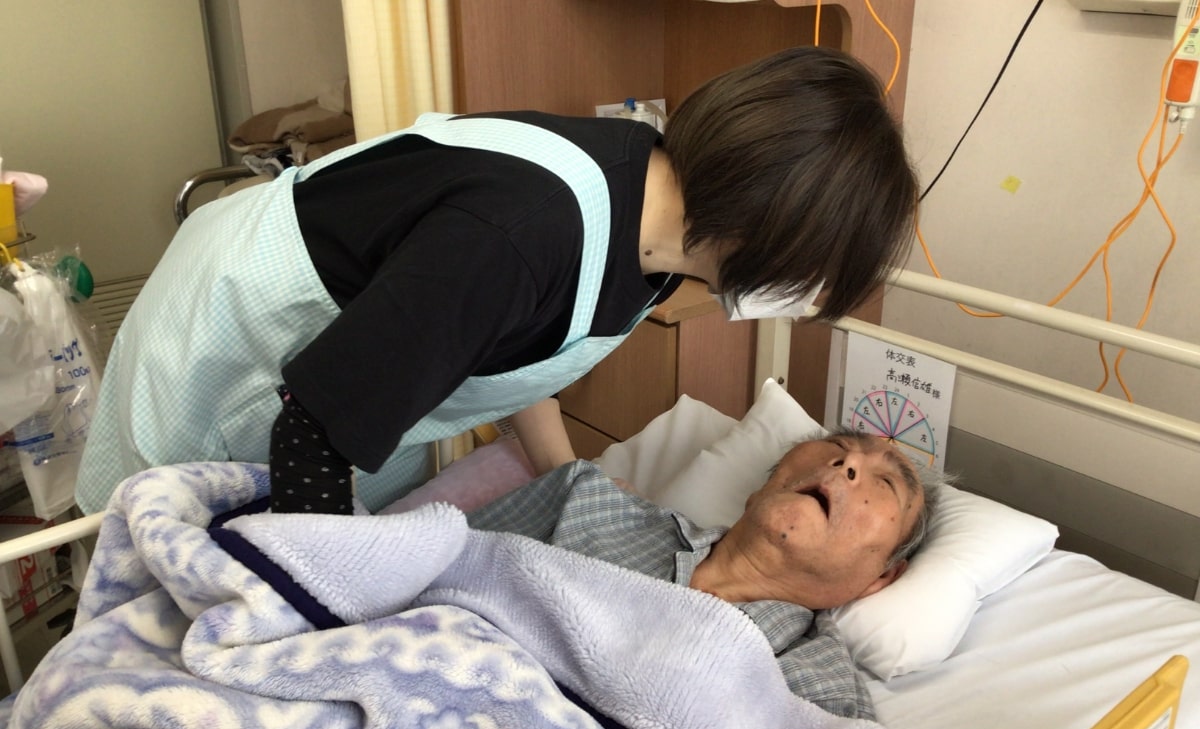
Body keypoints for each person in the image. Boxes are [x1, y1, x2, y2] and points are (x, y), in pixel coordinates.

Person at [75, 46, 919, 516]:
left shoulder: (660, 228)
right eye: (813, 275)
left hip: (355, 373)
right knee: (172, 545)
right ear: (768, 223)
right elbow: (314, 433)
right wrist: (326, 615)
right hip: (243, 335)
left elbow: (523, 344)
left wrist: (567, 480)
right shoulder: (521, 236)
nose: (805, 299)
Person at [466, 429, 943, 719]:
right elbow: (440, 559)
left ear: (882, 578)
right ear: (761, 490)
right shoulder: (586, 499)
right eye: (838, 446)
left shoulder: (822, 699)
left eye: (885, 483)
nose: (849, 462)